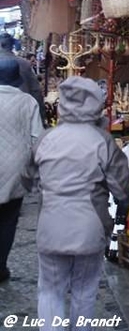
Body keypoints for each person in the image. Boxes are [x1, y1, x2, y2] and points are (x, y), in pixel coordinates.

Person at [22, 76, 129, 331]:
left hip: (50, 227)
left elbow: (28, 180)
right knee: (85, 290)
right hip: (90, 229)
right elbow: (122, 187)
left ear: (63, 105)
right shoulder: (102, 141)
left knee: (50, 290)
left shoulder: (46, 138)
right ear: (96, 106)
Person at [0, 59, 45, 282]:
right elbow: (38, 137)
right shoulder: (27, 102)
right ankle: (0, 267)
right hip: (16, 168)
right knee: (8, 219)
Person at [0, 33, 46, 123]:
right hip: (22, 111)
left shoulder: (24, 63)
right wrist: (41, 117)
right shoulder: (24, 64)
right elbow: (35, 91)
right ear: (12, 46)